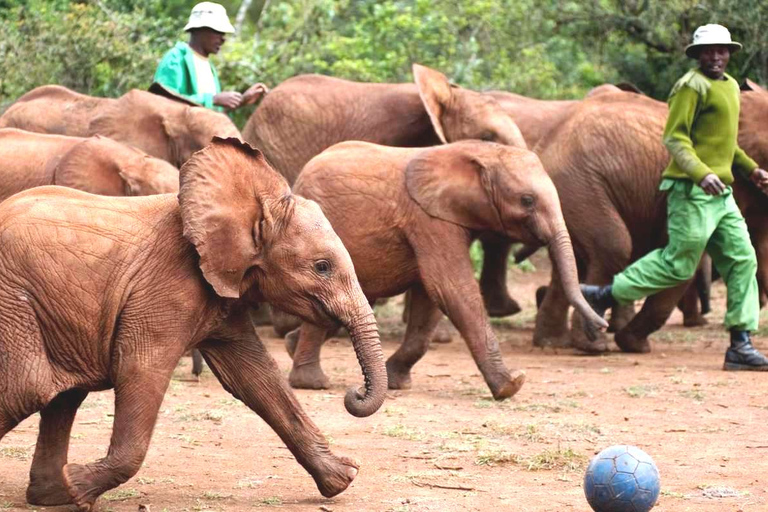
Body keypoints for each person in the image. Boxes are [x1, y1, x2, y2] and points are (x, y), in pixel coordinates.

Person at [581, 24, 768, 371]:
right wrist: (701, 173)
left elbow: (728, 145)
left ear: (730, 54)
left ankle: (740, 344)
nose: (715, 57)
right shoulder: (689, 87)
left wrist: (751, 169)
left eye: (721, 50)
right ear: (697, 55)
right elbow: (675, 140)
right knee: (678, 263)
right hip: (691, 191)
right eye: (708, 51)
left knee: (743, 261)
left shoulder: (729, 87)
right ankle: (604, 295)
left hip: (722, 194)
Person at [153, 2, 267, 112]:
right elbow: (162, 104)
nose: (223, 39)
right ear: (200, 29)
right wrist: (213, 99)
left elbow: (211, 115)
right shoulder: (176, 59)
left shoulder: (209, 67)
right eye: (218, 32)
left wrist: (241, 100)